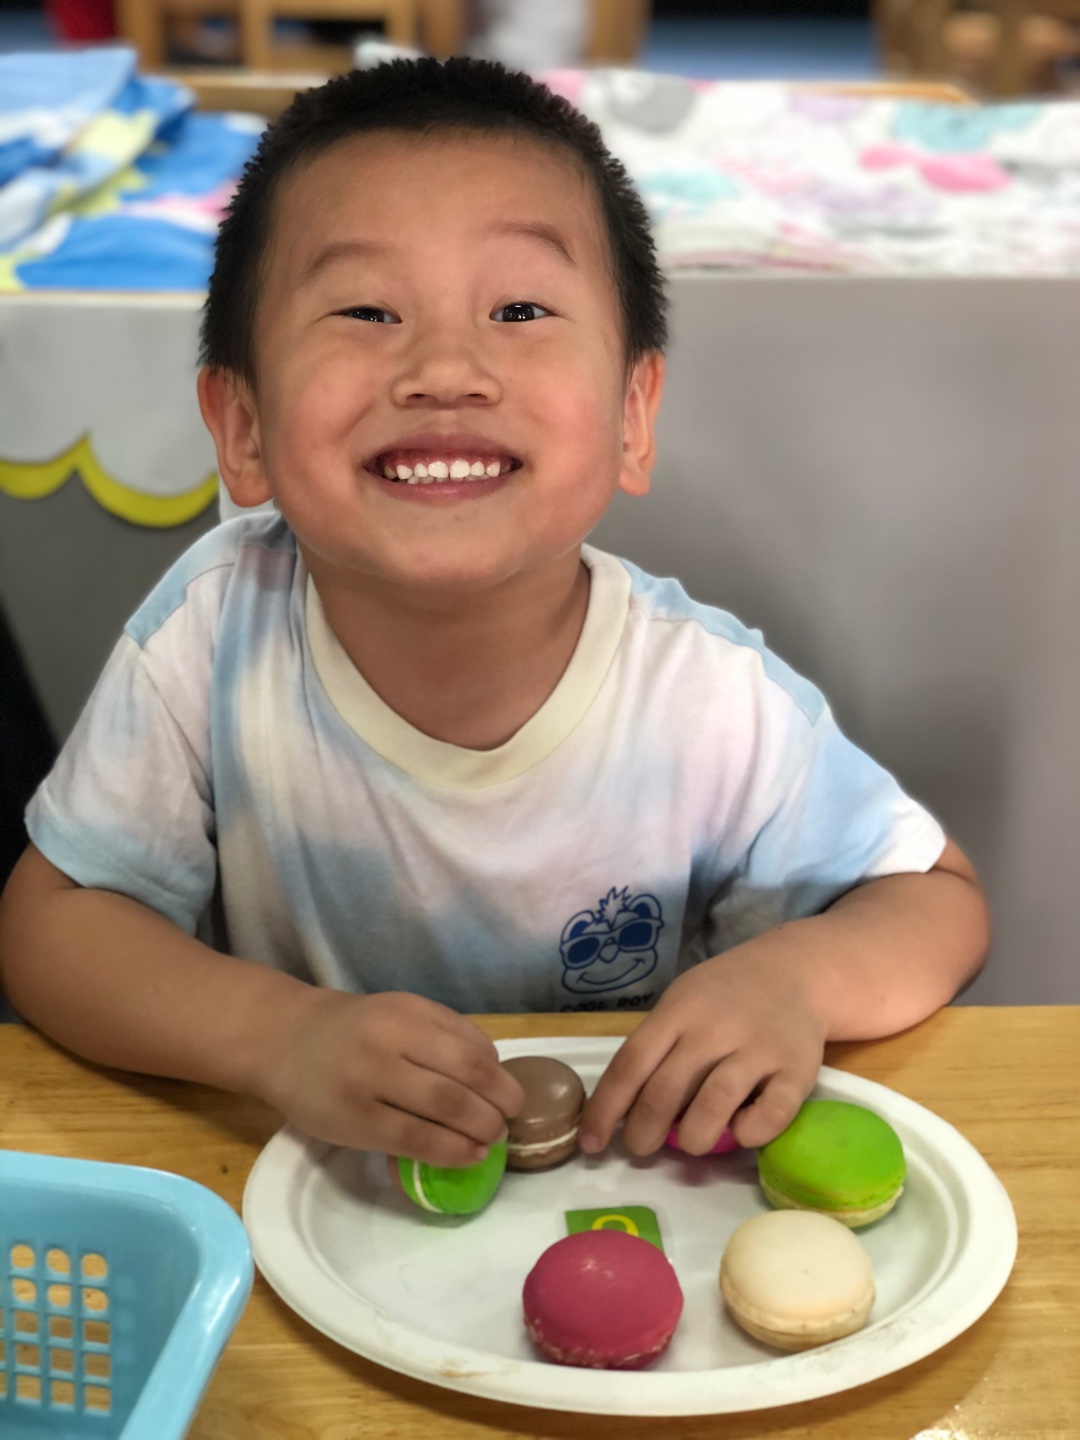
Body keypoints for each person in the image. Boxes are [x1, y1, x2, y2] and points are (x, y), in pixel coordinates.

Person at [0, 59, 989, 1170]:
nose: (445, 369)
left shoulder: (708, 697)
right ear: (242, 427)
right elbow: (54, 923)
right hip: (312, 1199)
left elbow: (934, 900)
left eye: (519, 310)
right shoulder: (210, 633)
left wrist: (793, 980)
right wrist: (278, 1037)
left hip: (637, 1192)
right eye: (366, 310)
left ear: (632, 415)